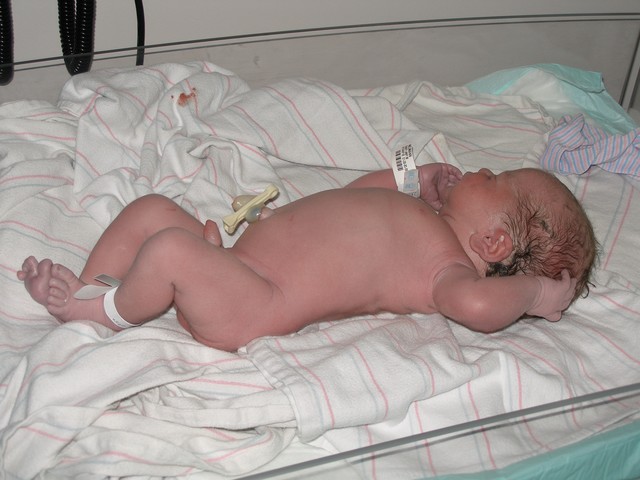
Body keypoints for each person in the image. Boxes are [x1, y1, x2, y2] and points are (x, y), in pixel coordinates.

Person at [17, 163, 596, 352]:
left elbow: (477, 306)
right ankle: (95, 284)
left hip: (253, 302)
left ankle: (93, 314)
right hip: (237, 264)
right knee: (152, 212)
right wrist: (408, 178)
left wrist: (538, 294)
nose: (480, 169)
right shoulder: (420, 215)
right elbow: (352, 196)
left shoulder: (445, 270)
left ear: (494, 244)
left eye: (495, 179)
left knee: (168, 249)